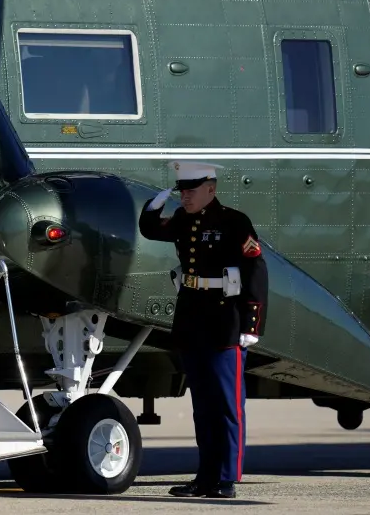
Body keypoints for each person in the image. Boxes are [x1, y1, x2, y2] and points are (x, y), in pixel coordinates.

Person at [138, 160, 268, 500]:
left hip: (226, 321)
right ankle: (205, 477)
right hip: (193, 319)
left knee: (227, 405)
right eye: (181, 191)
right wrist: (153, 206)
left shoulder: (234, 222)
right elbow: (152, 230)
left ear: (211, 188)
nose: (185, 197)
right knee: (203, 406)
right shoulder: (183, 219)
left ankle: (227, 478)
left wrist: (252, 324)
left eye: (190, 191)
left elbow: (255, 269)